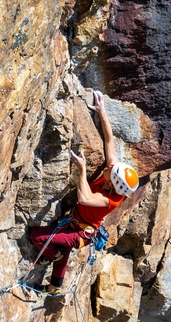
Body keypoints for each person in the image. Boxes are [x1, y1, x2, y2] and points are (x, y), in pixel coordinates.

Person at [29, 90, 139, 293]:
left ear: (114, 183)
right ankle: (54, 286)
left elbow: (84, 198)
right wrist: (101, 111)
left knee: (38, 236)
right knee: (64, 246)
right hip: (75, 223)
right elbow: (109, 141)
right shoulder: (112, 178)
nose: (109, 166)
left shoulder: (110, 200)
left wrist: (81, 168)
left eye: (111, 171)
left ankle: (52, 256)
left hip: (81, 232)